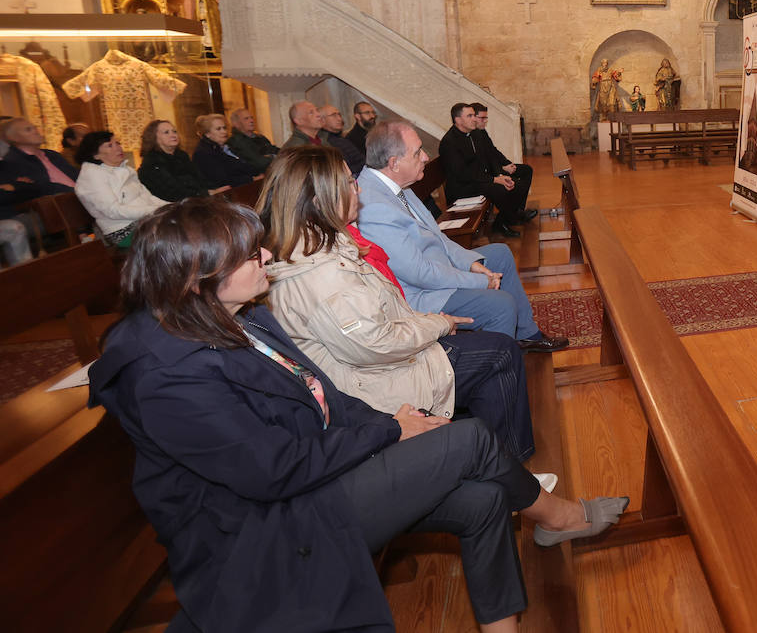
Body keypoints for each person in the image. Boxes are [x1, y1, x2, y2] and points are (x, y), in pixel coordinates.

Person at [87, 198, 628, 633]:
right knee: (472, 440)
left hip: (318, 478)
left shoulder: (242, 317)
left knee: (485, 498)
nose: (266, 259)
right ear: (194, 277)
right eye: (248, 256)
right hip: (266, 525)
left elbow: (323, 394)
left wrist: (391, 422)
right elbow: (272, 471)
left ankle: (504, 620)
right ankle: (559, 518)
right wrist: (391, 429)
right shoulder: (165, 375)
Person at [260, 146, 535, 460]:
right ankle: (508, 469)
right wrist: (438, 323)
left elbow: (382, 312)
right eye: (349, 183)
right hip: (372, 384)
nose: (358, 189)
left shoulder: (320, 245)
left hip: (385, 359)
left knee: (495, 350)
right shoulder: (320, 272)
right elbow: (376, 345)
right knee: (500, 353)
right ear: (321, 199)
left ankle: (486, 457)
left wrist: (430, 322)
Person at [359, 120, 568, 350]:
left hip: (436, 269)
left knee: (500, 254)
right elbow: (419, 273)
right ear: (394, 163)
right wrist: (479, 281)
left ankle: (526, 333)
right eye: (418, 151)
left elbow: (438, 238)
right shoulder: (374, 206)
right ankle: (495, 371)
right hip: (421, 295)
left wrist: (471, 264)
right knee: (502, 304)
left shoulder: (395, 184)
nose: (426, 157)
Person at [440, 103, 532, 239]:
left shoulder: (475, 134)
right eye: (470, 116)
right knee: (503, 189)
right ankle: (503, 222)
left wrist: (498, 174)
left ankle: (508, 218)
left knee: (514, 184)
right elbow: (462, 173)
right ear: (458, 120)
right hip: (462, 187)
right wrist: (494, 179)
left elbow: (489, 156)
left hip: (478, 180)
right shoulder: (449, 142)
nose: (474, 119)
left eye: (473, 115)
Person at [73, 130, 166, 247]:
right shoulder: (92, 175)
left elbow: (148, 197)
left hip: (145, 220)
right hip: (123, 231)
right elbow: (113, 211)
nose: (118, 148)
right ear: (95, 155)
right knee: (177, 231)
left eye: (118, 143)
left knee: (185, 219)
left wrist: (171, 205)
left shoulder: (126, 169)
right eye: (110, 145)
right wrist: (155, 210)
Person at [471, 101, 534, 214]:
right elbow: (484, 161)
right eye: (482, 118)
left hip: (495, 169)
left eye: (486, 118)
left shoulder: (481, 131)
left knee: (527, 170)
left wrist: (507, 164)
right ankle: (509, 217)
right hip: (488, 175)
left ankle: (519, 210)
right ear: (473, 117)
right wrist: (501, 171)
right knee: (515, 184)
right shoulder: (471, 135)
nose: (485, 121)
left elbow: (493, 150)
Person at [0, 117, 77, 206]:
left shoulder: (52, 154)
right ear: (14, 138)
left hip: (81, 196)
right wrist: (77, 192)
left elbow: (77, 175)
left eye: (35, 128)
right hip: (59, 204)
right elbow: (42, 188)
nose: (36, 131)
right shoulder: (12, 162)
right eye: (28, 130)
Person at [137, 120, 217, 200]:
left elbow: (199, 178)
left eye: (174, 131)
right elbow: (172, 192)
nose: (173, 135)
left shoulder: (182, 155)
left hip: (195, 199)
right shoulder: (152, 162)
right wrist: (204, 193)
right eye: (166, 132)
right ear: (153, 137)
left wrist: (213, 190)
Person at [192, 113, 257, 190]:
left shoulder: (226, 146)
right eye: (218, 129)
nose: (224, 132)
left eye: (224, 128)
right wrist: (251, 179)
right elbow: (222, 180)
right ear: (207, 134)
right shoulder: (203, 153)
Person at [317, 104, 367, 176]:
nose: (339, 119)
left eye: (339, 115)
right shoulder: (327, 143)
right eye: (333, 115)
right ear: (322, 120)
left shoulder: (341, 138)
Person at [227, 107, 277, 173]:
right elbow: (259, 163)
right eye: (246, 119)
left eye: (251, 117)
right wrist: (273, 156)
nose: (251, 121)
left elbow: (275, 150)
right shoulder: (236, 141)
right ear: (236, 124)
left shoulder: (260, 137)